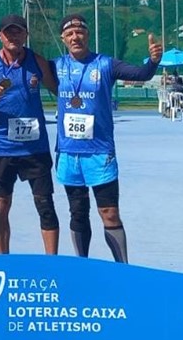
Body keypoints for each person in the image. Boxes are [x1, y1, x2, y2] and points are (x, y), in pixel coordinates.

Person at [55, 13, 163, 263]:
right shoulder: (56, 66)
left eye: (79, 32)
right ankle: (82, 265)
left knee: (109, 213)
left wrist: (153, 62)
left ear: (87, 35)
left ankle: (122, 268)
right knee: (77, 213)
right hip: (69, 154)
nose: (75, 37)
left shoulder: (105, 64)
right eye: (69, 34)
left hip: (100, 153)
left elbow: (141, 74)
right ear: (63, 39)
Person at [0, 14, 60, 255]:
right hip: (3, 148)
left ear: (26, 35)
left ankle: (51, 262)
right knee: (1, 206)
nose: (14, 36)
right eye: (9, 32)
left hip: (35, 148)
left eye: (19, 31)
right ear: (0, 36)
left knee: (45, 205)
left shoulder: (37, 61)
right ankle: (3, 260)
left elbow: (58, 91)